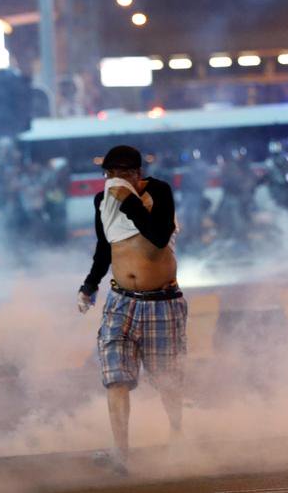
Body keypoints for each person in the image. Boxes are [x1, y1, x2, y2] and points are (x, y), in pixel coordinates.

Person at [77, 145, 186, 474]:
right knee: (116, 378)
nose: (113, 182)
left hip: (162, 303)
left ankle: (177, 437)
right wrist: (89, 285)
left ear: (137, 175)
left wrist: (129, 203)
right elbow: (103, 248)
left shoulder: (159, 192)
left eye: (122, 175)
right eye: (110, 176)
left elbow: (158, 235)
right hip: (121, 302)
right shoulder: (102, 201)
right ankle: (121, 454)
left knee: (168, 380)